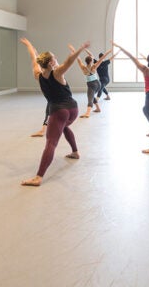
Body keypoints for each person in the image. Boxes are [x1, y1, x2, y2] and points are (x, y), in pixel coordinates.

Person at [20, 39, 90, 187]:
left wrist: (29, 46)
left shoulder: (37, 73)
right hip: (73, 109)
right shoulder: (57, 73)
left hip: (59, 112)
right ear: (51, 63)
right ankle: (75, 152)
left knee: (51, 143)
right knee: (64, 127)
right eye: (54, 58)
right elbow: (69, 61)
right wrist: (80, 49)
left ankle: (38, 177)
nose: (56, 59)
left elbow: (34, 58)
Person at [73, 47, 115, 118]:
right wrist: (108, 52)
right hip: (98, 84)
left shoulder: (83, 67)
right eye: (92, 60)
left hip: (92, 85)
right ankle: (98, 108)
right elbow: (102, 59)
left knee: (90, 97)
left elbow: (78, 59)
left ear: (86, 61)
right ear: (91, 61)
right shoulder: (94, 67)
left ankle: (87, 113)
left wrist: (74, 51)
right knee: (91, 96)